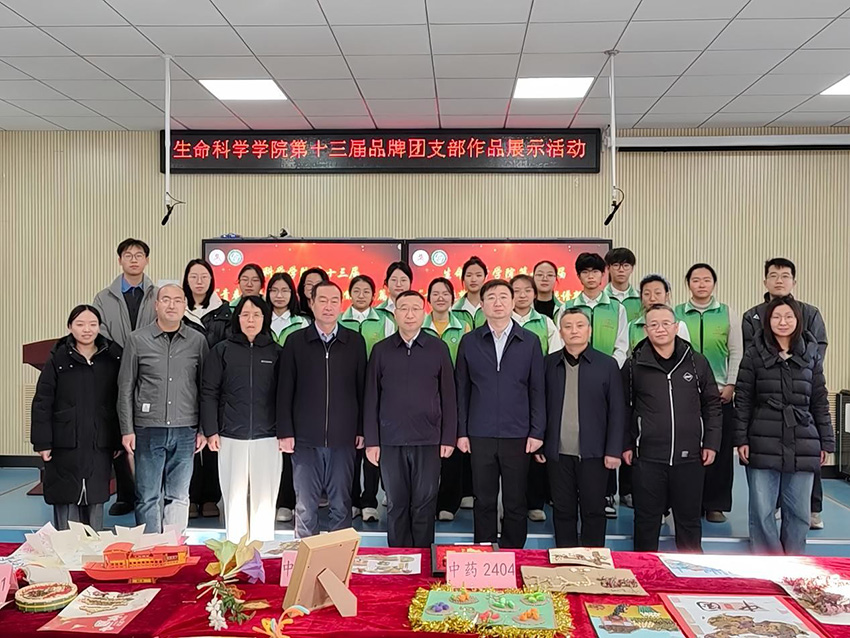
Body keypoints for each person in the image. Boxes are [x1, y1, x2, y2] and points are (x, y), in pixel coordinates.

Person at [734, 296, 833, 555]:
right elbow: (743, 399)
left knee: (799, 511)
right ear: (768, 321)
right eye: (776, 317)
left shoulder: (811, 354)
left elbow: (819, 400)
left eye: (789, 316)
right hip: (762, 438)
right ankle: (768, 563)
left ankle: (793, 563)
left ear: (798, 320)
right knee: (762, 510)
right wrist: (741, 439)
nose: (783, 322)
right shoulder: (754, 354)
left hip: (803, 439)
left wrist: (826, 441)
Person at [622, 304, 722, 553]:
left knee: (689, 522)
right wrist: (626, 444)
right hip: (648, 458)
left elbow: (712, 405)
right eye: (654, 324)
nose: (660, 329)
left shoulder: (697, 362)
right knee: (646, 522)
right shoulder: (634, 366)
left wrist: (711, 443)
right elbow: (624, 408)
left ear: (676, 327)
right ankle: (644, 572)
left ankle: (691, 572)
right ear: (646, 330)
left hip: (690, 458)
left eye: (666, 323)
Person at [456, 279, 545, 549]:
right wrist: (461, 432)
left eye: (504, 297)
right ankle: (484, 552)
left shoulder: (529, 341)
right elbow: (462, 390)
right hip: (479, 432)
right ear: (482, 305)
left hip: (518, 433)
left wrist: (537, 431)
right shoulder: (469, 342)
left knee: (515, 500)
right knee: (483, 499)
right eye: (491, 297)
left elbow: (537, 389)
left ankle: (513, 552)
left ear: (513, 302)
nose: (498, 302)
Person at [364, 291, 457, 547]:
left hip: (428, 439)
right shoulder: (381, 350)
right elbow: (371, 398)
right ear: (394, 314)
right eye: (403, 308)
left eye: (415, 308)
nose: (409, 314)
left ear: (424, 313)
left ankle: (423, 559)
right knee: (396, 504)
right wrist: (372, 441)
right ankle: (399, 559)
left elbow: (449, 396)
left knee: (424, 504)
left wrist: (448, 437)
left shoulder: (438, 348)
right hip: (390, 440)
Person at [742, 257, 828, 530]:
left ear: (794, 281)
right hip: (766, 401)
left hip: (801, 398)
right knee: (765, 471)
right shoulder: (752, 316)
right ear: (764, 280)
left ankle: (813, 509)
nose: (779, 280)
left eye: (785, 275)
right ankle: (773, 515)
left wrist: (796, 370)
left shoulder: (810, 313)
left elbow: (818, 350)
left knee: (806, 459)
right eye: (773, 275)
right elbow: (750, 357)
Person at [277, 281, 367, 538]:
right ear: (311, 303)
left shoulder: (355, 342)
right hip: (305, 439)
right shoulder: (295, 342)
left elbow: (362, 389)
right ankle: (304, 556)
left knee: (341, 504)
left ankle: (339, 557)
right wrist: (285, 431)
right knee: (305, 506)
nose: (328, 306)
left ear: (341, 305)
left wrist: (361, 429)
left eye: (334, 301)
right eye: (323, 300)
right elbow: (285, 390)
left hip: (344, 439)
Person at [118, 284, 209, 534]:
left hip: (185, 429)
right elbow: (125, 387)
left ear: (185, 306)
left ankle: (173, 546)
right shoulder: (137, 339)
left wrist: (203, 429)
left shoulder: (197, 341)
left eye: (177, 300)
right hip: (148, 428)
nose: (171, 305)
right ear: (156, 305)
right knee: (147, 495)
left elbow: (205, 388)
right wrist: (127, 429)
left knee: (179, 495)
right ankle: (150, 548)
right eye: (166, 300)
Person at [31, 305, 123, 531]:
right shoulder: (58, 357)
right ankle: (66, 546)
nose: (87, 330)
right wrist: (42, 442)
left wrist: (118, 438)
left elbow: (120, 400)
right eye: (80, 324)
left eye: (92, 324)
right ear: (70, 327)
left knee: (96, 494)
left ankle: (93, 545)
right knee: (66, 494)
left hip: (100, 439)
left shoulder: (112, 356)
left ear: (99, 327)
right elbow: (43, 400)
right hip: (64, 439)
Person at [201, 296, 282, 542]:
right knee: (234, 498)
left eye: (256, 315)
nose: (250, 320)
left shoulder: (276, 352)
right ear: (237, 319)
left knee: (265, 500)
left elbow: (285, 394)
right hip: (230, 435)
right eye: (245, 314)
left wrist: (285, 431)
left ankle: (262, 551)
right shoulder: (222, 350)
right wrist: (211, 430)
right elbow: (209, 392)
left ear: (265, 318)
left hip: (268, 436)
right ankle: (234, 553)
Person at [542, 308, 626, 547]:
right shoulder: (549, 363)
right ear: (560, 332)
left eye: (580, 325)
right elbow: (539, 404)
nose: (574, 331)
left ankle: (593, 560)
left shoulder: (607, 364)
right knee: (562, 511)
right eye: (568, 326)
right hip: (558, 453)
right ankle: (565, 560)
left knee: (594, 510)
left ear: (589, 331)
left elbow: (617, 410)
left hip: (595, 453)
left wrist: (613, 450)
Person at [675, 264, 743, 524]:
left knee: (720, 449)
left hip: (720, 390)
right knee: (688, 449)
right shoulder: (677, 313)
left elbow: (736, 351)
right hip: (685, 391)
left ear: (714, 283)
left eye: (706, 280)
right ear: (688, 284)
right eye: (696, 280)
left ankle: (716, 504)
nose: (701, 284)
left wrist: (731, 384)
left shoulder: (727, 313)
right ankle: (689, 502)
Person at [93, 238, 155, 517]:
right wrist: (122, 355)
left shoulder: (156, 294)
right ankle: (126, 494)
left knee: (147, 430)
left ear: (146, 260)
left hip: (151, 370)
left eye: (139, 255)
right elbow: (100, 331)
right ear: (119, 260)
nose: (133, 259)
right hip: (115, 369)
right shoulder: (103, 297)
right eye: (128, 255)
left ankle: (150, 493)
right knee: (120, 430)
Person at [340, 274, 395, 523]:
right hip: (347, 391)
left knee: (373, 446)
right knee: (351, 449)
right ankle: (352, 500)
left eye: (366, 291)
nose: (361, 295)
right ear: (350, 294)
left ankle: (370, 501)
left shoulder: (386, 321)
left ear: (374, 295)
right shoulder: (340, 321)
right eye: (357, 291)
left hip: (377, 390)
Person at [511, 274, 562, 523]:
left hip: (537, 391)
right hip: (509, 394)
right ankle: (509, 505)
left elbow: (554, 357)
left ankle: (534, 502)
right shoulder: (501, 320)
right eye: (516, 290)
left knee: (536, 447)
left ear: (534, 294)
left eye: (526, 290)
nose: (522, 295)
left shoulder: (545, 323)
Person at [425, 277, 474, 522]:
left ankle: (448, 503)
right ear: (428, 299)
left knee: (452, 448)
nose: (440, 297)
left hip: (454, 392)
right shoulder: (420, 325)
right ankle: (427, 500)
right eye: (435, 293)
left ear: (453, 298)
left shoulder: (463, 327)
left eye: (445, 293)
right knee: (428, 452)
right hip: (424, 394)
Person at [266, 272, 309, 524]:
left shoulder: (302, 323)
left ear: (292, 294)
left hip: (295, 391)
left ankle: (288, 501)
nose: (279, 295)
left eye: (284, 290)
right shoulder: (261, 319)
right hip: (265, 390)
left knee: (289, 450)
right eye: (274, 290)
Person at [182, 259, 224, 520]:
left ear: (211, 280)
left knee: (211, 438)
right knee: (187, 442)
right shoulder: (179, 309)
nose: (199, 281)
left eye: (204, 276)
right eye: (193, 276)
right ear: (186, 280)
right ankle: (189, 496)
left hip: (215, 384)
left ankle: (210, 497)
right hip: (185, 382)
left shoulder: (224, 311)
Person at [561, 252, 628, 368]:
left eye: (595, 271)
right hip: (574, 368)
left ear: (603, 274)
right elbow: (561, 342)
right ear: (578, 276)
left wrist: (611, 366)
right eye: (585, 272)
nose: (590, 276)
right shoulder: (567, 308)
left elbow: (621, 346)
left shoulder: (618, 308)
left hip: (608, 369)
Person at [205, 264, 266, 348]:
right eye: (245, 279)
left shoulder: (270, 308)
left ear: (262, 284)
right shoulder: (228, 309)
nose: (249, 284)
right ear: (239, 282)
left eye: (255, 280)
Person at [628, 275, 691, 351]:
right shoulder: (632, 327)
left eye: (657, 293)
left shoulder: (679, 325)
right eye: (647, 294)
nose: (652, 298)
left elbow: (685, 353)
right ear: (641, 297)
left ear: (667, 296)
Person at [604, 248, 642, 323]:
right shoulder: (601, 298)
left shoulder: (641, 299)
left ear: (632, 268)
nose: (621, 270)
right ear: (608, 268)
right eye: (616, 265)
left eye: (626, 265)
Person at [452, 256, 488, 331]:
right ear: (463, 278)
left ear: (485, 278)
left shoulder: (492, 307)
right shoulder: (454, 309)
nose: (473, 279)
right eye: (469, 275)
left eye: (478, 275)